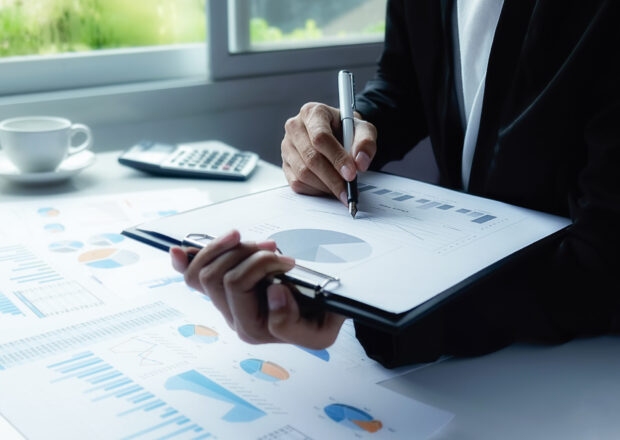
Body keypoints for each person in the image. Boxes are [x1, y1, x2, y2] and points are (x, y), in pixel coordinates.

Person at [170, 0, 620, 368]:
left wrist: (382, 311)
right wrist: (349, 131)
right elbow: (404, 82)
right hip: (475, 329)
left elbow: (606, 262)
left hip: (579, 361)